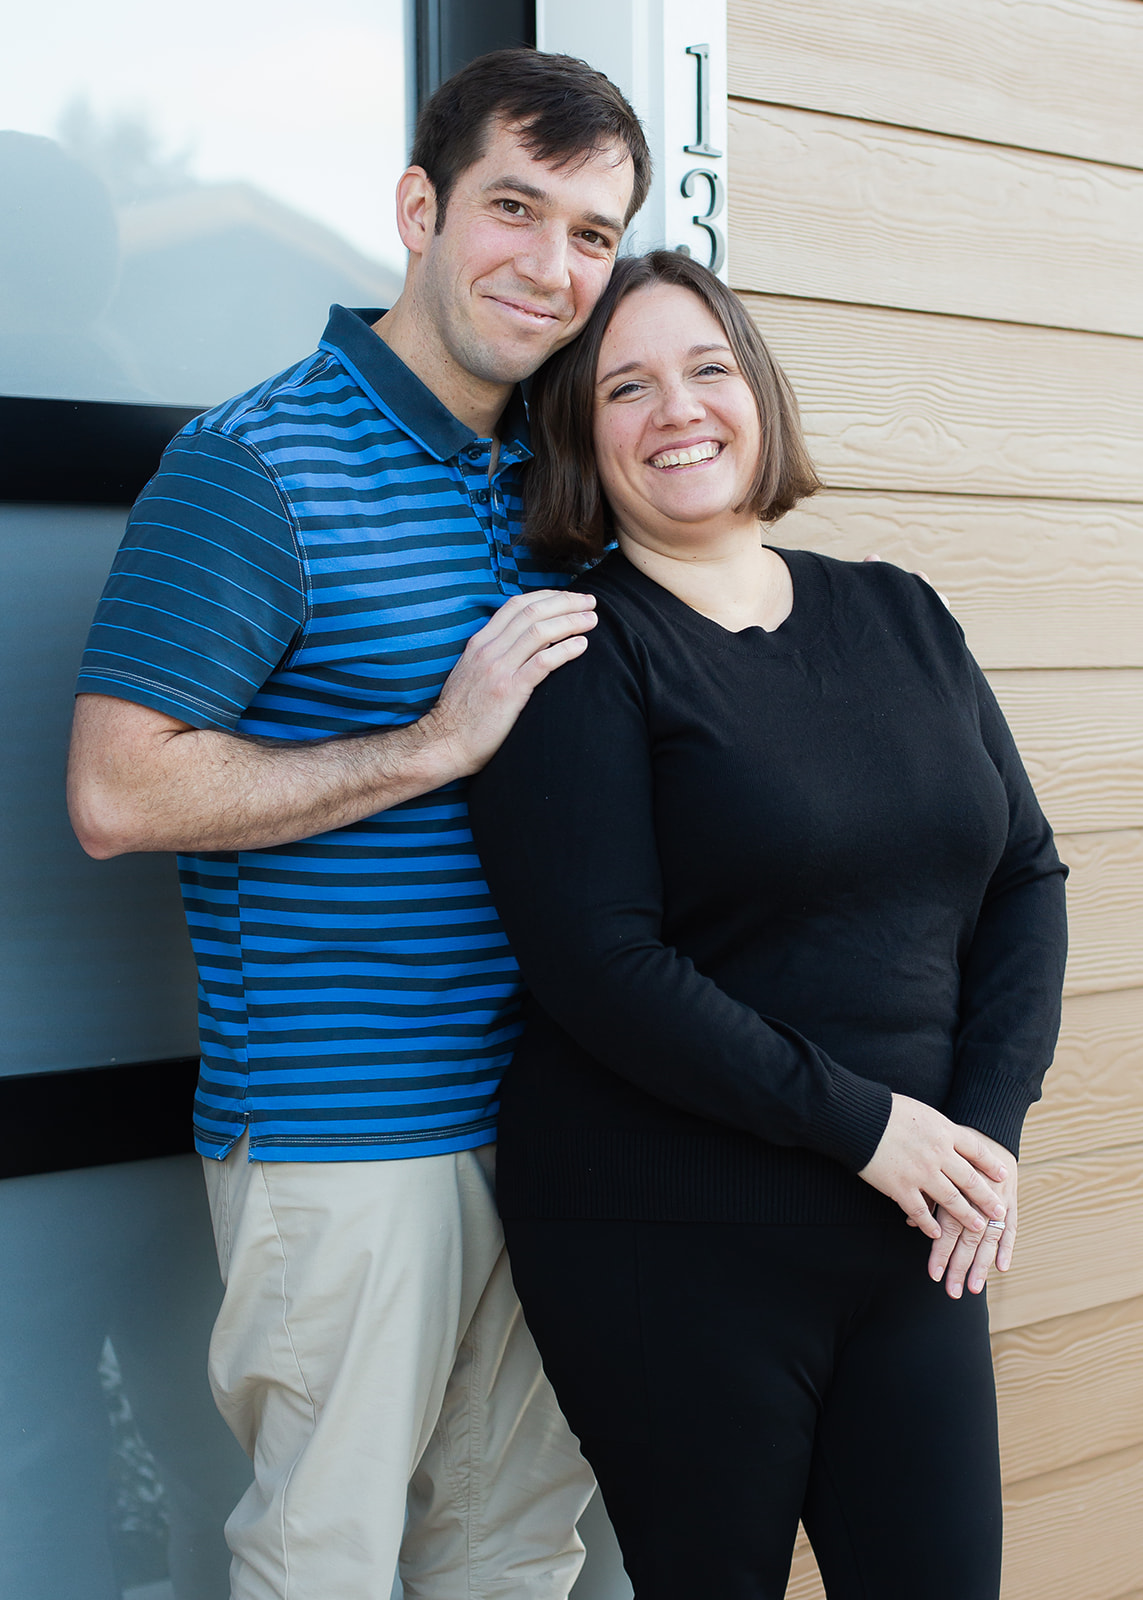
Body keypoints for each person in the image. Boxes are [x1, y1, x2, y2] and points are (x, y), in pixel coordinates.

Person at [66, 49, 651, 1600]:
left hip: (558, 1125)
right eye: (514, 209)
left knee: (518, 1552)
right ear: (418, 207)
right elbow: (120, 790)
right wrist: (432, 744)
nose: (552, 266)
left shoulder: (565, 479)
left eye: (594, 234)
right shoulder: (254, 462)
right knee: (323, 1562)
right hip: (346, 1133)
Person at [467, 250, 1068, 1600]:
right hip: (670, 1238)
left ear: (760, 393)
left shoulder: (900, 614)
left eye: (706, 368)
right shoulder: (576, 653)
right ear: (580, 438)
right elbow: (601, 968)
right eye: (625, 387)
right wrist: (870, 1126)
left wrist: (981, 1134)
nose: (676, 409)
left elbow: (1027, 876)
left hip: (912, 1223)